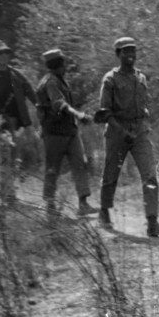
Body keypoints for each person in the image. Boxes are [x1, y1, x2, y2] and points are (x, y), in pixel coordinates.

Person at [94, 37, 159, 237]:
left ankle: (152, 222)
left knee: (150, 175)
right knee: (111, 175)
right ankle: (104, 211)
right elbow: (105, 112)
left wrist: (143, 125)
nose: (130, 55)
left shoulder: (141, 78)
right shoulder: (109, 79)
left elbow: (144, 105)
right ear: (118, 54)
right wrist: (122, 131)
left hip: (139, 132)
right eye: (125, 51)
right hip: (117, 132)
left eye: (133, 51)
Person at [35, 49, 99, 216]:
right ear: (57, 65)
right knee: (52, 169)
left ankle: (83, 204)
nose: (66, 66)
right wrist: (78, 114)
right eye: (63, 63)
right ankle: (50, 206)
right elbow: (59, 104)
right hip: (54, 133)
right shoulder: (50, 82)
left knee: (80, 165)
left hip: (70, 131)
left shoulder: (59, 80)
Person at [0, 40, 36, 204]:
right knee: (6, 155)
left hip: (18, 123)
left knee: (22, 156)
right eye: (0, 53)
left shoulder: (16, 74)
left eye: (6, 52)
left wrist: (41, 107)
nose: (5, 55)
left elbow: (32, 93)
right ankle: (7, 196)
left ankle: (4, 190)